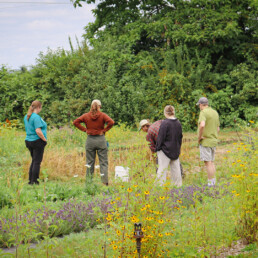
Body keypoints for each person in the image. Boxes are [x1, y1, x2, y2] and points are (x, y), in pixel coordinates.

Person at [73, 100, 114, 185]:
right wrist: (104, 130)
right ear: (99, 106)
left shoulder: (86, 115)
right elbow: (111, 122)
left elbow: (75, 122)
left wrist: (85, 130)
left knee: (89, 162)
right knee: (103, 162)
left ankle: (89, 183)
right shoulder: (102, 115)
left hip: (90, 140)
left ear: (91, 106)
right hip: (101, 139)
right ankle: (104, 183)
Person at [155, 105, 183, 186]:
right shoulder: (178, 123)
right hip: (175, 149)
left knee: (162, 170)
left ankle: (159, 187)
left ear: (165, 113)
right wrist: (178, 148)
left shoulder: (165, 123)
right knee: (176, 170)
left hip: (164, 150)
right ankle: (177, 187)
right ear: (173, 112)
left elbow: (161, 137)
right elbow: (180, 137)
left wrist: (158, 148)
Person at [196, 97, 220, 186]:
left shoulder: (203, 112)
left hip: (205, 141)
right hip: (213, 140)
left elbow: (202, 125)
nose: (199, 107)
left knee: (208, 163)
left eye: (199, 105)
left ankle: (210, 184)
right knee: (212, 162)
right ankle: (214, 182)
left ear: (201, 105)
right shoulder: (215, 112)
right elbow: (218, 128)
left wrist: (199, 137)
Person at [24, 100, 47, 185]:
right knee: (37, 162)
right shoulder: (36, 117)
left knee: (34, 160)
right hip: (37, 141)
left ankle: (30, 180)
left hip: (28, 140)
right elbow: (38, 130)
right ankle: (34, 181)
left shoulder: (27, 116)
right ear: (39, 107)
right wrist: (44, 139)